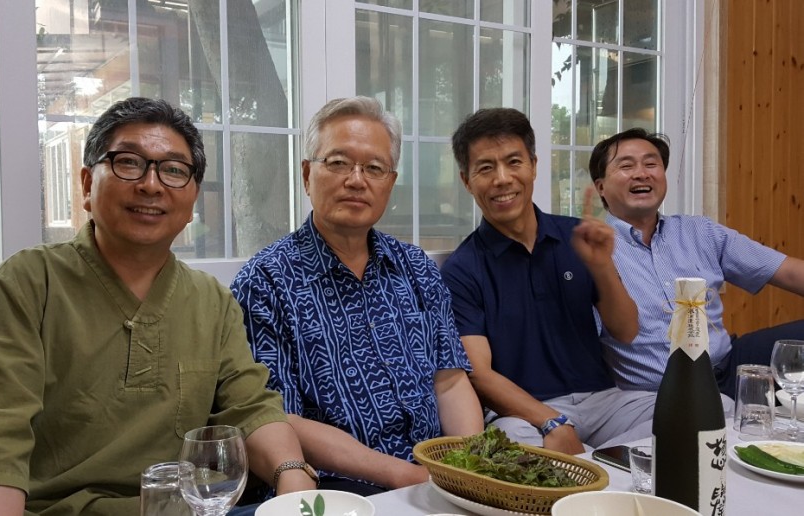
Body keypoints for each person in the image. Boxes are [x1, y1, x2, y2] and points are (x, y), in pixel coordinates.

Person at [0, 97, 316, 516]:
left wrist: (292, 477)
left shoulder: (211, 301)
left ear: (192, 200)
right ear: (86, 185)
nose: (151, 185)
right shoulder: (29, 283)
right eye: (128, 163)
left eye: (173, 170)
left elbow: (250, 408)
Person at [230, 96, 484, 495]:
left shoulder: (416, 267)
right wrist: (406, 477)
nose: (356, 180)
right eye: (338, 163)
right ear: (306, 175)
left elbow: (449, 382)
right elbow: (277, 419)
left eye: (374, 168)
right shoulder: (264, 282)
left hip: (436, 477)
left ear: (390, 183)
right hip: (335, 488)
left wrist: (469, 470)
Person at [440, 107, 656, 456]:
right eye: (485, 168)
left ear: (534, 166)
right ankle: (605, 464)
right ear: (467, 181)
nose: (502, 179)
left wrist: (602, 267)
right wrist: (551, 421)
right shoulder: (462, 269)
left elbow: (626, 331)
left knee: (707, 410)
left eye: (514, 162)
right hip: (524, 415)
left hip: (603, 401)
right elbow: (479, 373)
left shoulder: (576, 235)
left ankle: (593, 464)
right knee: (508, 444)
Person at [589, 127, 804, 399]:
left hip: (726, 366)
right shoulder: (592, 252)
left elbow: (788, 272)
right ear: (601, 187)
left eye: (651, 164)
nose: (642, 173)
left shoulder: (700, 231)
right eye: (626, 166)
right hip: (657, 391)